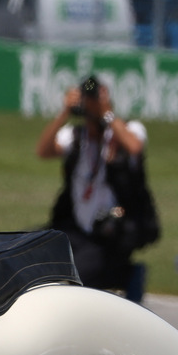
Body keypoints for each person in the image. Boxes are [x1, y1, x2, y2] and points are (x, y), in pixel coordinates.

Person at [36, 75, 160, 298]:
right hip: (76, 230)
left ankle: (127, 273)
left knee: (78, 277)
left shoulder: (127, 130)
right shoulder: (75, 137)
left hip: (112, 234)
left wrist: (106, 113)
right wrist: (65, 111)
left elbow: (134, 146)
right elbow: (43, 151)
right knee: (33, 255)